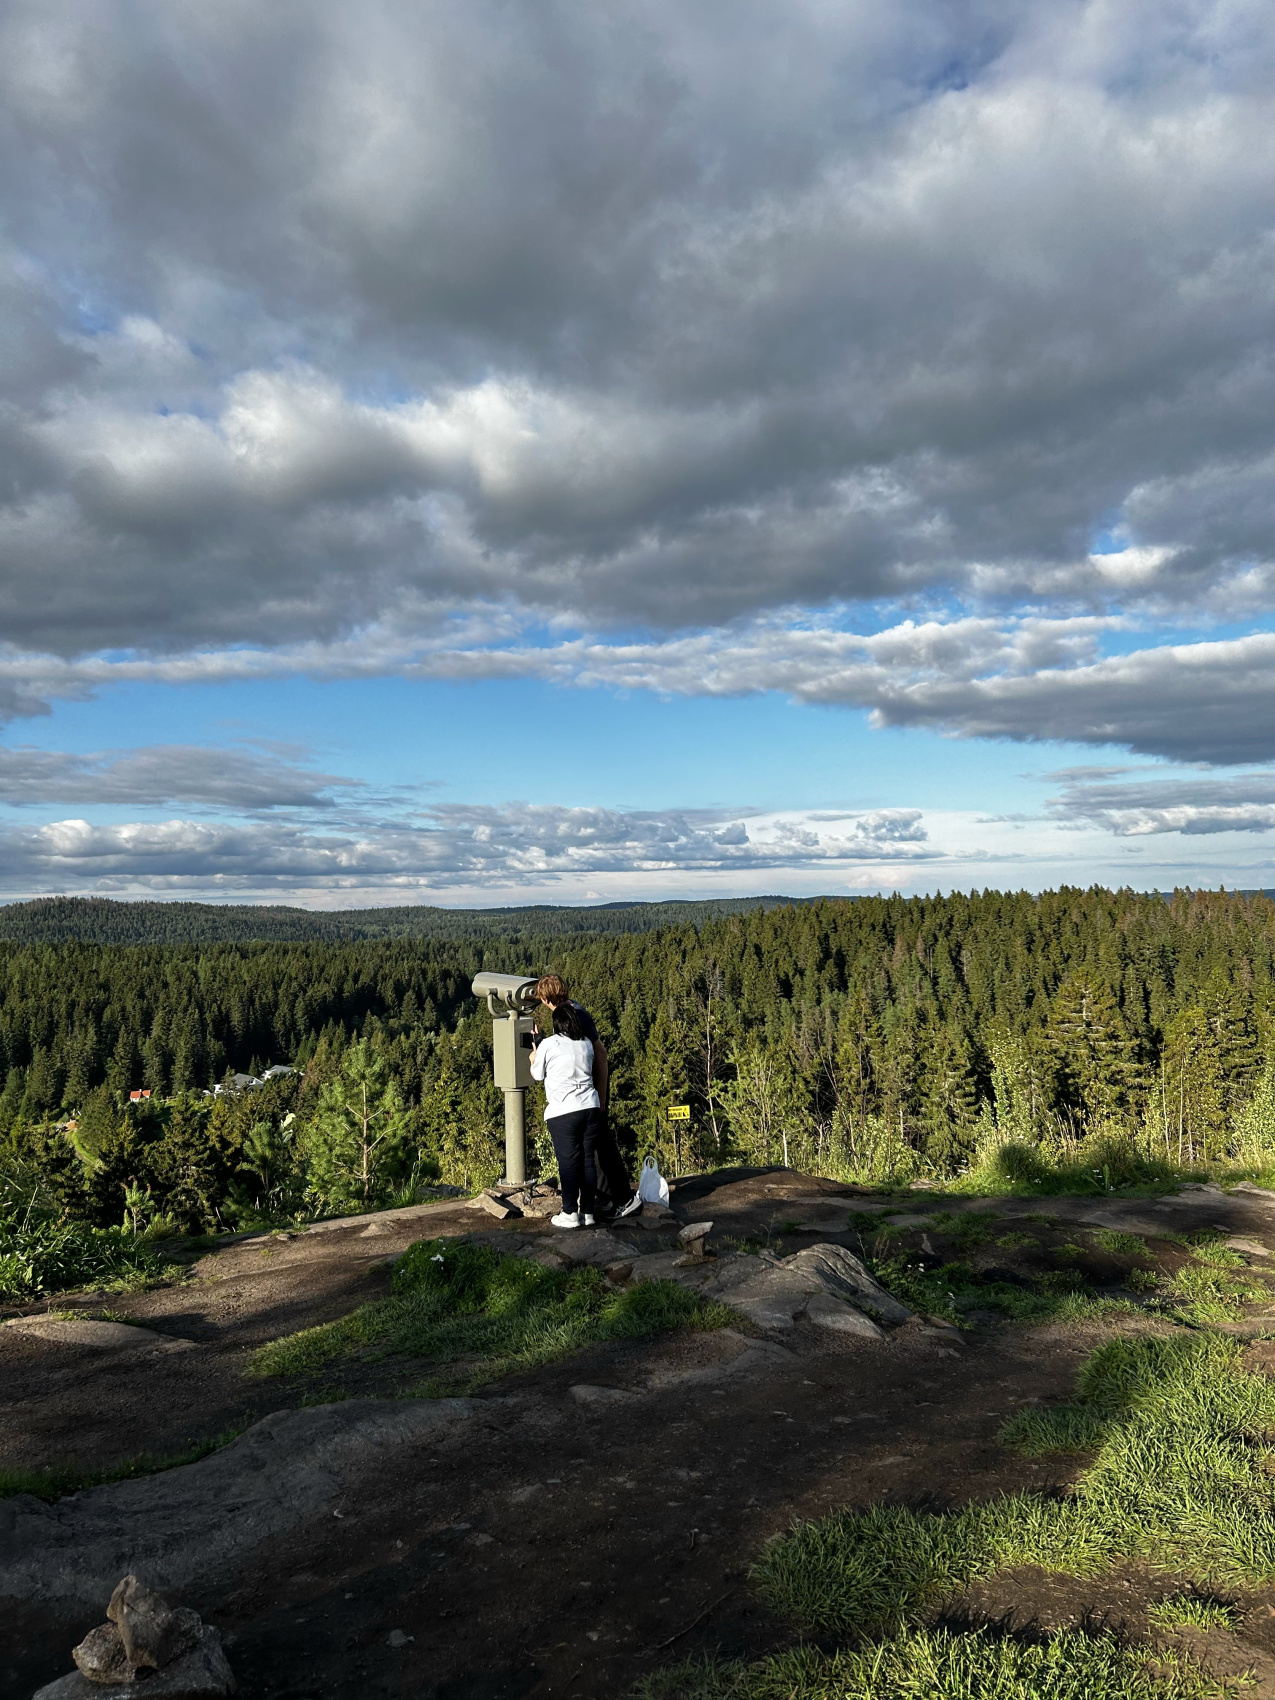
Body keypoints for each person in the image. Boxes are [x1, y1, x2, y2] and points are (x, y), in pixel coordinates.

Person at [534, 974, 640, 1220]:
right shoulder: (573, 1009)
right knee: (590, 1149)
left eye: (540, 997)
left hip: (589, 1093)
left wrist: (601, 1096)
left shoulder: (574, 1015)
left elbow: (599, 1053)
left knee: (602, 1146)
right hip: (586, 1093)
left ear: (546, 997)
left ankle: (624, 1199)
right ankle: (604, 1199)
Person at [529, 1003, 602, 1229]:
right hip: (590, 1107)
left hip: (563, 1112)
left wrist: (534, 1055)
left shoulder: (549, 1045)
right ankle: (588, 1212)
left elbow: (537, 1074)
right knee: (587, 1161)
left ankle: (570, 1212)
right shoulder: (586, 1044)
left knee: (568, 1163)